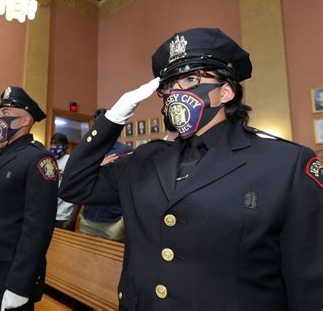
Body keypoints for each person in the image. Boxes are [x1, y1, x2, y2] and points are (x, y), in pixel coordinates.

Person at [59, 28, 323, 310]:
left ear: (225, 91)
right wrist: (114, 116)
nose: (175, 93)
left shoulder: (285, 164)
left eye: (190, 79)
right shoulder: (146, 159)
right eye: (170, 85)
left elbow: (308, 285)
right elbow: (75, 185)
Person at [0, 86, 58, 310]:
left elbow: (38, 229)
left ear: (24, 121)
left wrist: (19, 286)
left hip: (9, 274)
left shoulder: (39, 160)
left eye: (4, 113)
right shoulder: (2, 155)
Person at [79, 109, 133, 242]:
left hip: (112, 222)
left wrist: (124, 221)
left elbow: (131, 188)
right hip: (87, 218)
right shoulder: (87, 151)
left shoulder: (125, 151)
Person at [49, 133, 79, 231]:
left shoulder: (71, 161)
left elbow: (78, 189)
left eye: (56, 143)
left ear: (65, 146)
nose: (53, 146)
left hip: (65, 215)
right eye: (52, 143)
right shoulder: (50, 160)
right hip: (50, 213)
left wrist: (72, 218)